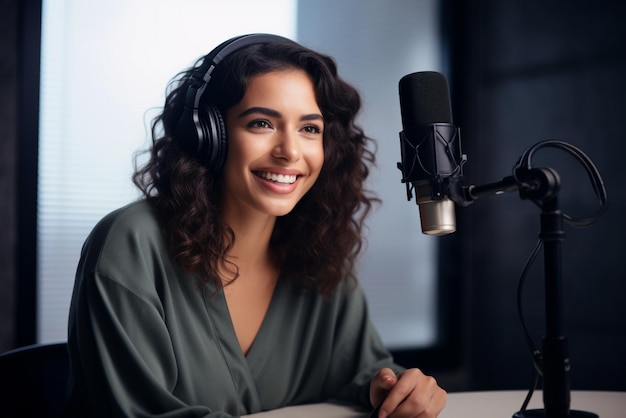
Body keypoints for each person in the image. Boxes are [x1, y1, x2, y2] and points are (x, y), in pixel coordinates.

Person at [66, 33, 447, 418]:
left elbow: (359, 372)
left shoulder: (319, 255)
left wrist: (399, 390)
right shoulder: (130, 244)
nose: (290, 152)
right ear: (208, 135)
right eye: (262, 123)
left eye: (309, 129)